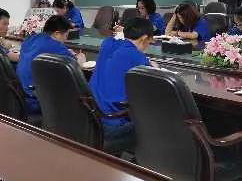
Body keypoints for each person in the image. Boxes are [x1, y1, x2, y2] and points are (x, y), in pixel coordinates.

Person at [90, 17, 154, 151]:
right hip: (112, 125)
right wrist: (153, 66)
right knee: (160, 121)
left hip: (91, 118)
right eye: (150, 41)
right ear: (144, 38)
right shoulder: (136, 57)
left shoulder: (107, 43)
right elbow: (152, 76)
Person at [16, 15, 87, 115]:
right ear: (57, 34)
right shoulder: (56, 46)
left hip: (21, 96)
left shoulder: (31, 38)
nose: (65, 40)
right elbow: (75, 65)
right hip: (37, 101)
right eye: (66, 35)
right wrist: (81, 57)